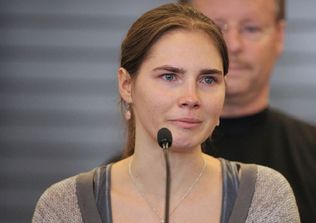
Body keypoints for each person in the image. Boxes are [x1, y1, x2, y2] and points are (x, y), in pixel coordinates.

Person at [32, 3, 300, 223]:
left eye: (208, 80)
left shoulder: (263, 195)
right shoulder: (65, 205)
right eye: (170, 76)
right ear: (127, 85)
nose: (191, 98)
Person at [177, 0, 316, 223]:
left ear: (279, 36)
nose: (233, 44)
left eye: (251, 28)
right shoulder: (146, 157)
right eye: (215, 28)